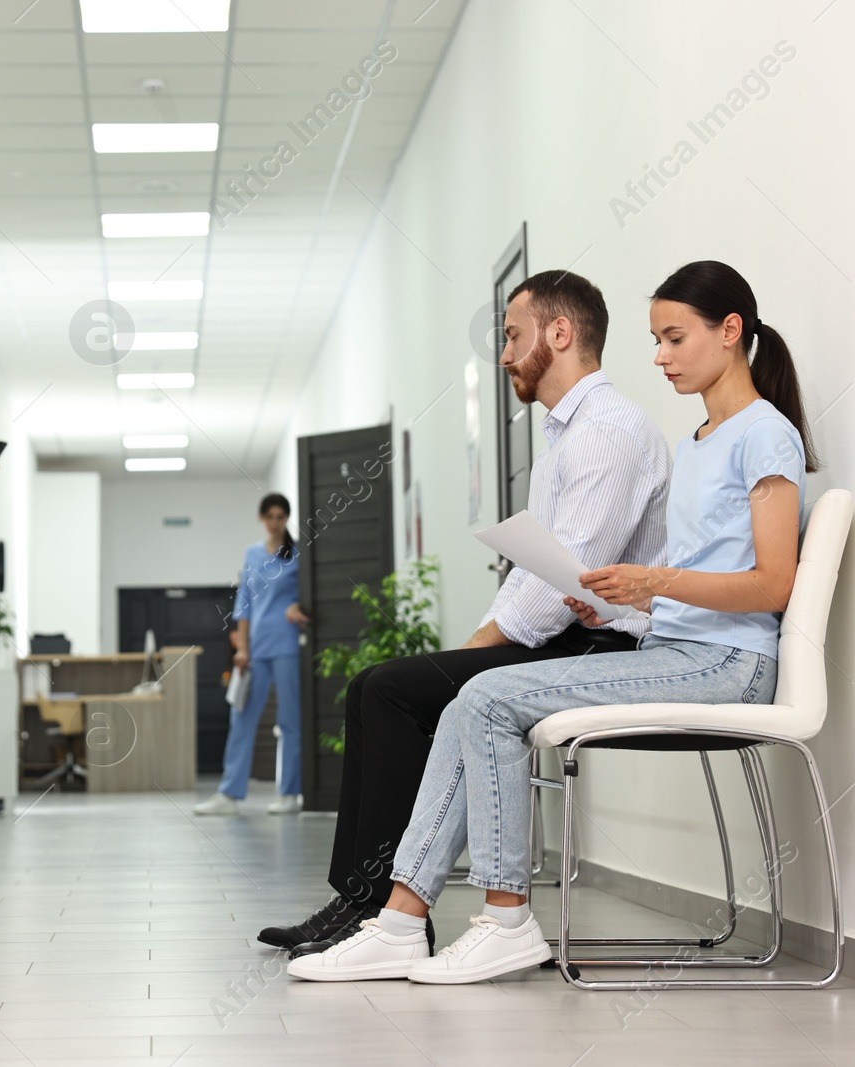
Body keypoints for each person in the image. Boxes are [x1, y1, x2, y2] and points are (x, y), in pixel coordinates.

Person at [288, 260, 819, 983]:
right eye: (656, 340)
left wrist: (654, 581)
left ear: (731, 333)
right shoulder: (699, 440)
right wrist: (620, 597)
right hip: (675, 643)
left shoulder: (765, 433)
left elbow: (773, 582)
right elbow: (694, 583)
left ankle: (506, 918)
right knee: (465, 701)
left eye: (673, 337)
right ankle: (399, 920)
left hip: (729, 663)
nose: (659, 356)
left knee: (486, 694)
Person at [258, 270, 671, 956]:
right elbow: (534, 573)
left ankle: (379, 913)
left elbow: (567, 578)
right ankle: (368, 904)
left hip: (601, 646)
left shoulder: (608, 433)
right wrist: (478, 640)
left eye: (513, 335)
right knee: (375, 685)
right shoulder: (567, 436)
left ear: (560, 333)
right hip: (565, 636)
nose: (505, 353)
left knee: (389, 690)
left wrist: (481, 648)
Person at [194, 494, 309, 815]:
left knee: (289, 721)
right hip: (256, 648)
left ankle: (290, 793)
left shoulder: (298, 554)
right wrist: (242, 648)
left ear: (286, 519)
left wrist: (299, 606)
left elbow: (309, 593)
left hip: (286, 644)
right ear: (261, 518)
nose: (275, 522)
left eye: (280, 516)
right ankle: (229, 794)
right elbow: (243, 602)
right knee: (242, 717)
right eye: (270, 516)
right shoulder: (252, 554)